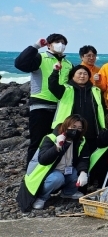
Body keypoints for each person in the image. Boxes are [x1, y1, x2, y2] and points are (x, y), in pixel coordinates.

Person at [14, 34, 73, 166]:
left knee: (55, 141)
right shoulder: (40, 58)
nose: (61, 45)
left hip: (60, 109)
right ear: (49, 45)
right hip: (40, 106)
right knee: (37, 142)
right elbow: (19, 64)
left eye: (63, 43)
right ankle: (31, 173)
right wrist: (35, 46)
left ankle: (49, 170)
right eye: (57, 42)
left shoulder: (68, 64)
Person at [17, 115, 90, 211]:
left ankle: (68, 192)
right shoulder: (50, 138)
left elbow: (83, 159)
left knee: (79, 174)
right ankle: (42, 197)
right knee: (57, 178)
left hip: (67, 169)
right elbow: (43, 160)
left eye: (79, 128)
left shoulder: (81, 141)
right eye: (73, 127)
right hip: (48, 173)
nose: (76, 131)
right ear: (66, 126)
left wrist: (83, 173)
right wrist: (56, 147)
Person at [48, 64, 106, 155]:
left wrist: (102, 127)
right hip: (69, 130)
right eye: (79, 73)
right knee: (70, 155)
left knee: (90, 156)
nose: (82, 76)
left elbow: (102, 110)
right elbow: (52, 85)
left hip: (92, 131)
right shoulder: (65, 89)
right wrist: (55, 72)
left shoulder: (96, 90)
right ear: (73, 75)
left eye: (85, 74)